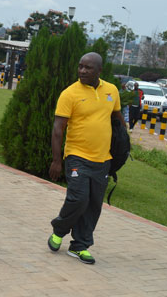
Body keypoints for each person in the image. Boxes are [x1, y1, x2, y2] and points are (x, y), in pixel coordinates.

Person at [48, 52, 125, 265]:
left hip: (103, 159)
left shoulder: (111, 90)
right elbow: (58, 128)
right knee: (78, 198)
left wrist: (123, 144)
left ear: (99, 71)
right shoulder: (70, 94)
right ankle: (59, 229)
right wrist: (57, 160)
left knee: (93, 205)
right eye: (80, 66)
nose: (82, 71)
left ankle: (80, 246)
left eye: (87, 68)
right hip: (77, 156)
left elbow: (117, 118)